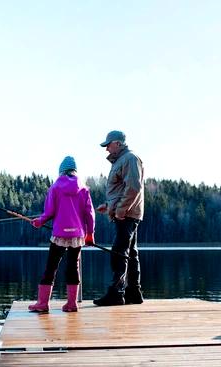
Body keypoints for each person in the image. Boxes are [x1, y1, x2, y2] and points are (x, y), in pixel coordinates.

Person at [28, 156, 96, 313]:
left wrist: (40, 221)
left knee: (51, 266)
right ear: (75, 171)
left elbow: (49, 211)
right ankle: (72, 304)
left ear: (61, 171)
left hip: (59, 234)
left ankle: (43, 303)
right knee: (73, 267)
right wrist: (90, 233)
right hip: (78, 235)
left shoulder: (55, 187)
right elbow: (90, 213)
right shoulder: (84, 188)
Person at [93, 130, 145, 306]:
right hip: (126, 213)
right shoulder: (123, 160)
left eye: (108, 145)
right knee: (130, 253)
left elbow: (133, 189)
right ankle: (133, 293)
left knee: (118, 253)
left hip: (126, 214)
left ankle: (117, 293)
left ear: (118, 143)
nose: (106, 149)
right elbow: (122, 190)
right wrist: (108, 206)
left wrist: (120, 211)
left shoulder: (129, 159)